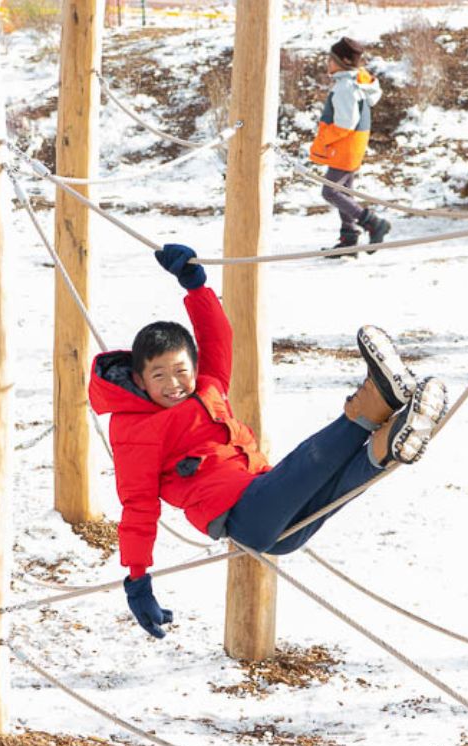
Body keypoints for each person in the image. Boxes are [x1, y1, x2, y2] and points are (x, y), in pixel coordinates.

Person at [88, 244, 447, 639]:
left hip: (272, 512)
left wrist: (196, 288)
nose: (174, 384)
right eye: (159, 376)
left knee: (339, 486)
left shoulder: (208, 386)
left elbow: (218, 338)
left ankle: (388, 442)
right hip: (243, 514)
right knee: (310, 462)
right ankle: (371, 405)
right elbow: (137, 505)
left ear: (194, 367)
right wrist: (138, 579)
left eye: (181, 371)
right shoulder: (134, 429)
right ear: (139, 380)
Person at [309, 36, 390, 258]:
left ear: (342, 62)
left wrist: (324, 138)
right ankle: (349, 238)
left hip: (344, 147)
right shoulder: (355, 83)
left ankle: (372, 223)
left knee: (330, 191)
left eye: (331, 59)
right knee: (345, 192)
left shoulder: (345, 87)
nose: (328, 63)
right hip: (352, 146)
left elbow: (345, 123)